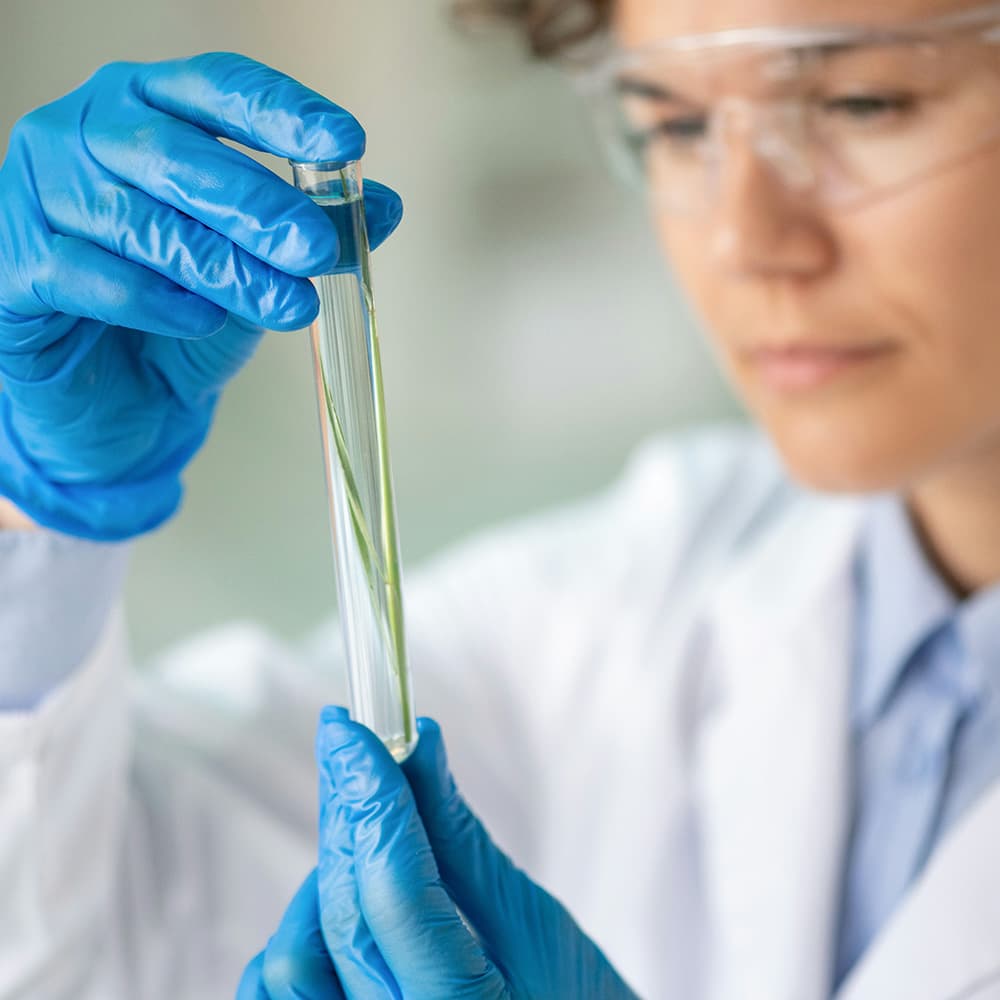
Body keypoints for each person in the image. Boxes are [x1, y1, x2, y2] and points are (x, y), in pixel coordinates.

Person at [3, 0, 1000, 996]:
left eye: (866, 103)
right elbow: (104, 932)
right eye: (677, 124)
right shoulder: (638, 605)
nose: (743, 237)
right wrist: (29, 506)